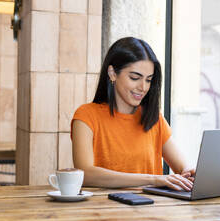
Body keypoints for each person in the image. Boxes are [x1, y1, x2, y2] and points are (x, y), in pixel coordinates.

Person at [71, 37, 195, 191]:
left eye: (149, 80)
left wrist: (190, 173)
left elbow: (183, 167)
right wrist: (154, 179)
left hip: (152, 210)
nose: (143, 87)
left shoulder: (154, 118)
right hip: (103, 210)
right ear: (112, 73)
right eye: (135, 78)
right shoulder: (86, 116)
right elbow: (85, 174)